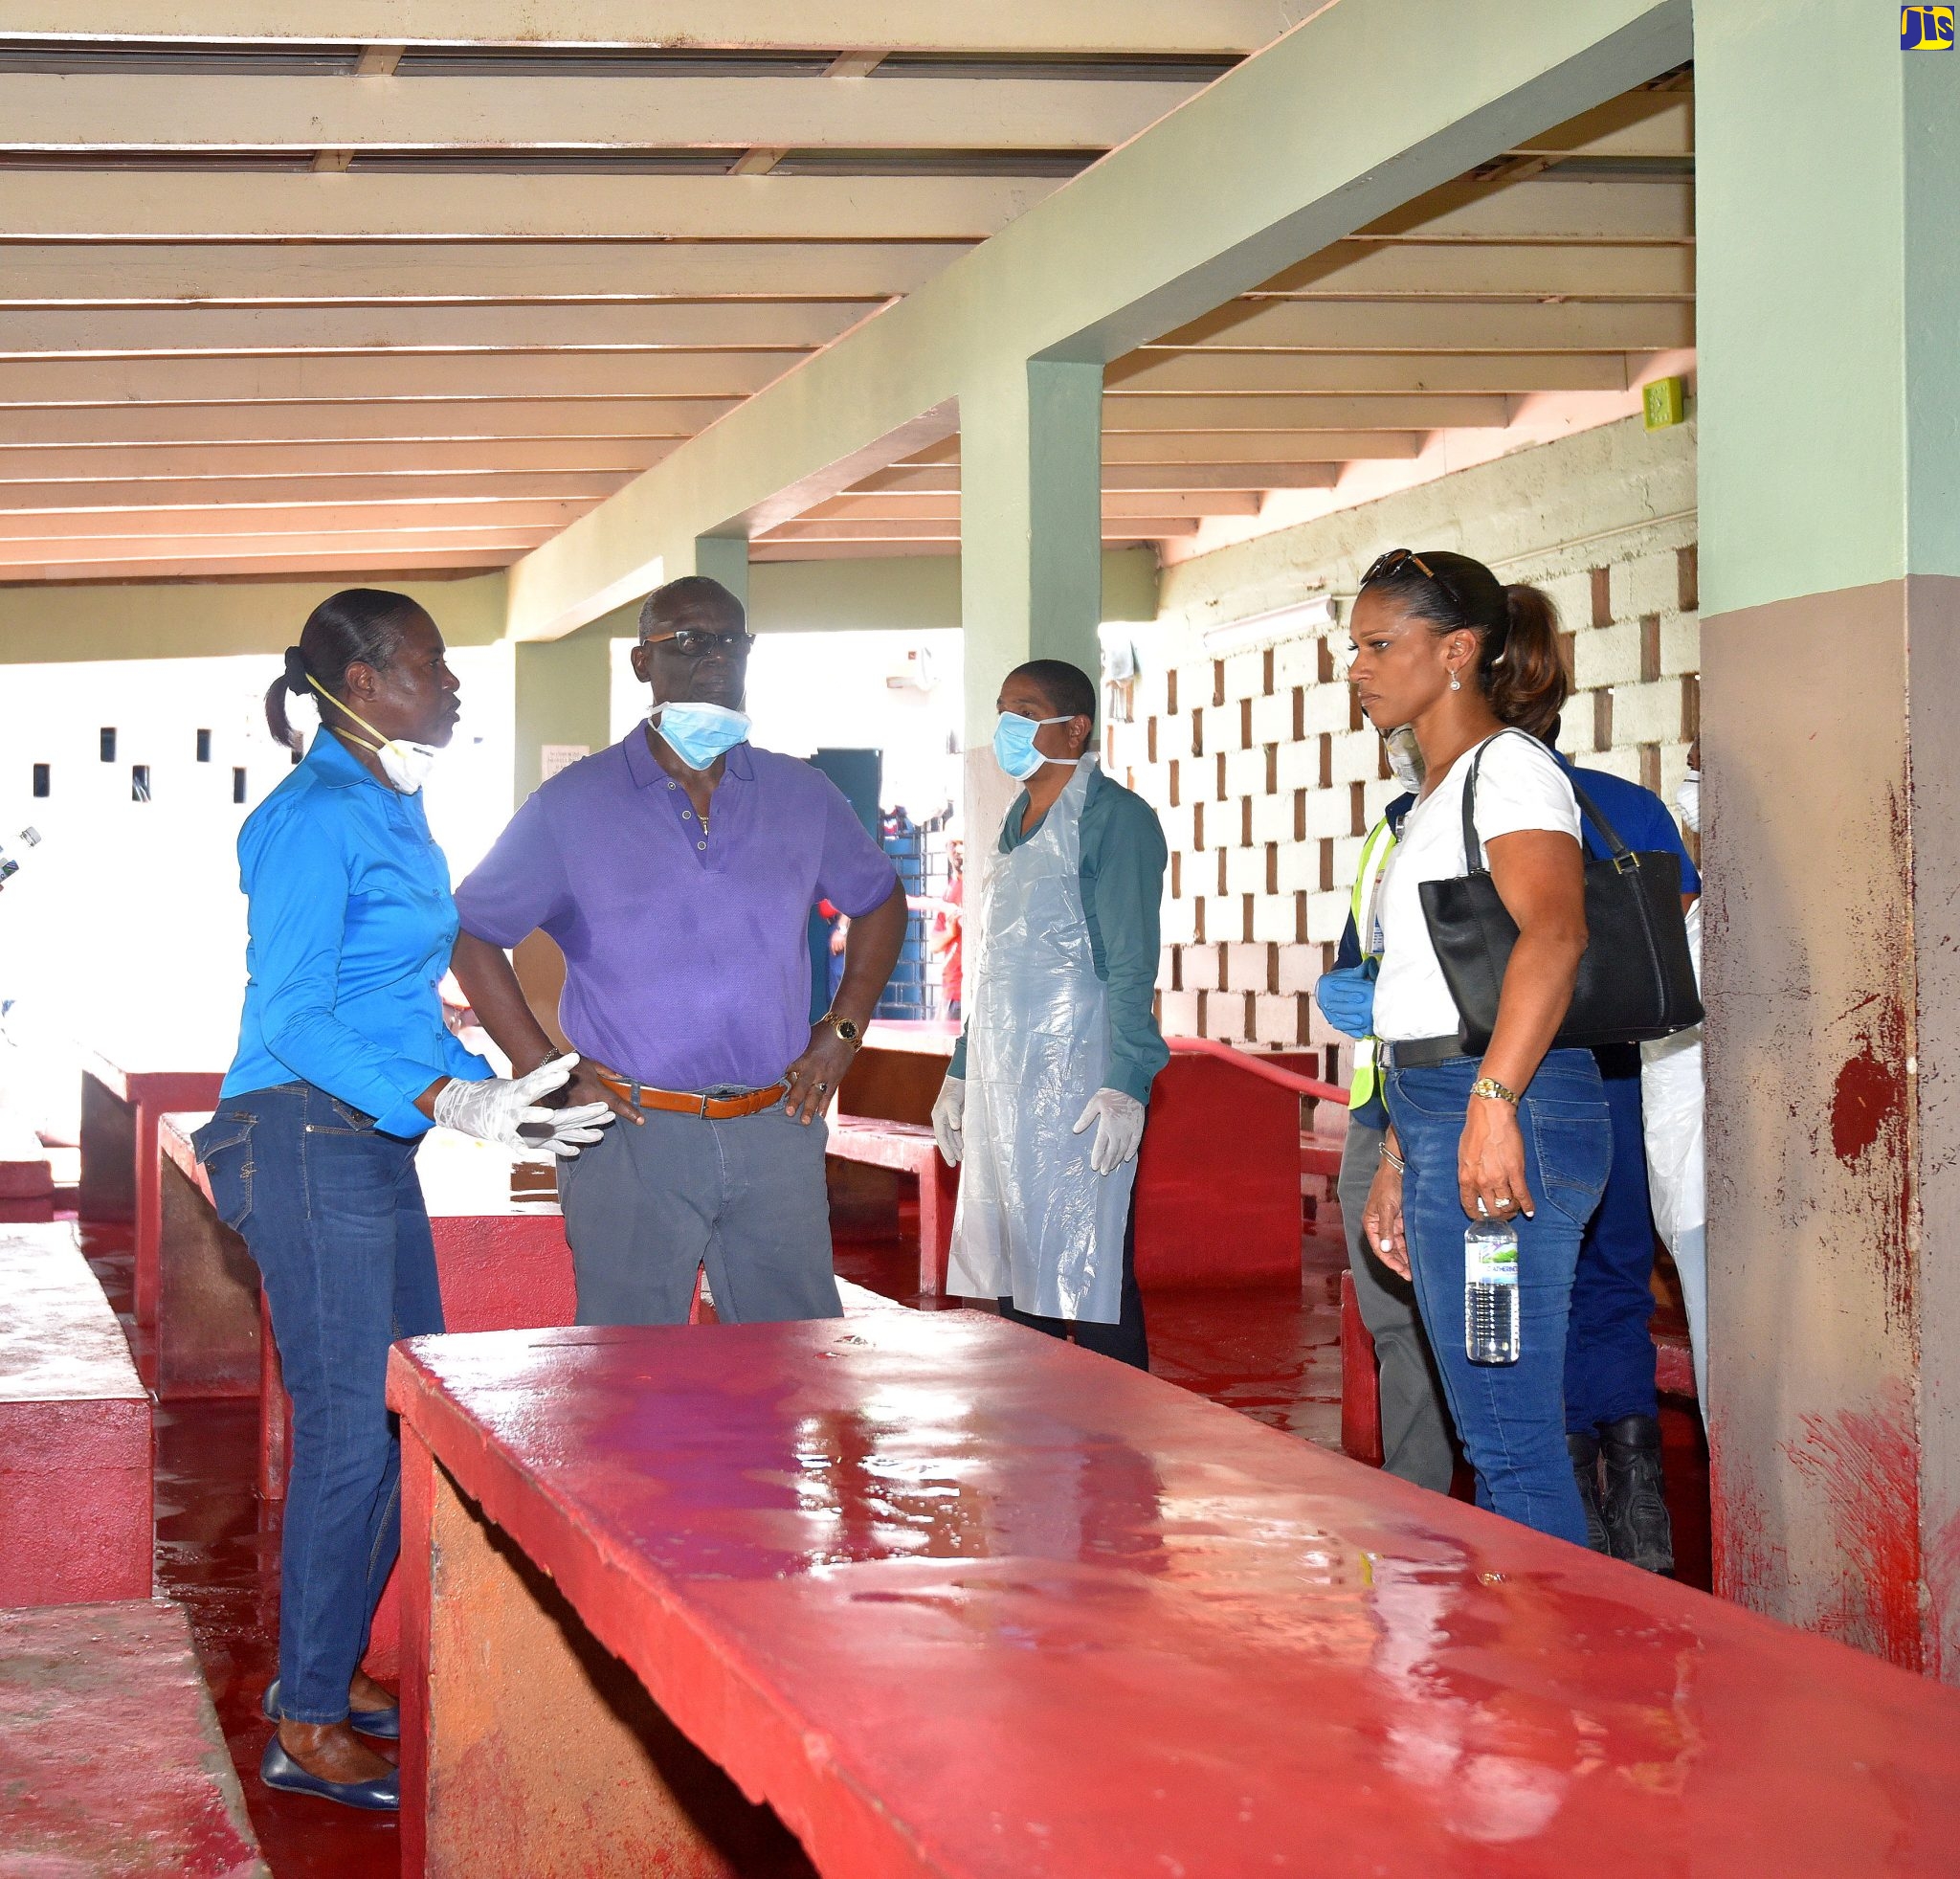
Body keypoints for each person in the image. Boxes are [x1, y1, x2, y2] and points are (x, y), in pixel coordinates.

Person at [194, 590, 611, 1811]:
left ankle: (323, 1677)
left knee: (386, 1413)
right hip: (303, 1133)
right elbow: (295, 1017)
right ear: (363, 682)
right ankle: (307, 1719)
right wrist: (444, 1095)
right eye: (431, 664)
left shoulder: (391, 803)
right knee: (342, 1424)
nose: (453, 683)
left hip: (360, 1142)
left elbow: (389, 999)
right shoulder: (314, 814)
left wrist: (496, 1088)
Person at [450, 574, 908, 1327]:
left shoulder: (801, 793)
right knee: (629, 1377)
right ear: (641, 663)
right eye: (687, 640)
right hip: (631, 1134)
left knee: (794, 1366)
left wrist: (843, 1031)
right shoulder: (574, 806)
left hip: (776, 1124)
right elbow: (472, 933)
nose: (714, 656)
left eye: (731, 640)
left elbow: (879, 898)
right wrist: (545, 1071)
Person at [1352, 548, 1610, 1544]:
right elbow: (1429, 994)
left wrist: (1492, 1107)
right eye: (1354, 648)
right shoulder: (1436, 788)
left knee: (1507, 1438)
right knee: (1490, 1427)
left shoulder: (1505, 770)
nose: (1359, 668)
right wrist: (1398, 1149)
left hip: (1509, 1112)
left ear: (1455, 650)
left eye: (1380, 644)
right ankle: (1532, 1664)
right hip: (1447, 1109)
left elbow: (1553, 933)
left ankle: (1550, 1678)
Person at [933, 660, 1169, 1369]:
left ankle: (1117, 1446)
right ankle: (1030, 1445)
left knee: (1092, 1275)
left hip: (1082, 1080)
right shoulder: (1015, 820)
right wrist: (964, 1071)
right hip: (1010, 1082)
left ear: (1076, 726)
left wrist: (1128, 1080)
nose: (1009, 727)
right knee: (1018, 1273)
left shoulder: (1115, 820)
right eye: (1003, 709)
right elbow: (997, 969)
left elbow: (1132, 963)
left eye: (1026, 711)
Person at [1545, 732, 1701, 1571]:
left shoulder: (1472, 804)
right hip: (1623, 1083)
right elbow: (1674, 928)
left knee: (1537, 1295)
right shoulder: (1631, 807)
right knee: (1613, 1284)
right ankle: (1642, 1519)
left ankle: (1571, 1514)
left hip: (1524, 1084)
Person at [1315, 752, 1457, 1494]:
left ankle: (1514, 1502)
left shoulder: (1490, 806)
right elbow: (1357, 953)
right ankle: (1418, 1491)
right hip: (1379, 1109)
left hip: (1458, 1105)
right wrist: (1341, 983)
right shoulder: (1388, 829)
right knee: (1393, 1316)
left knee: (1479, 1314)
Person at [931, 836, 965, 1020]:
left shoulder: (978, 884)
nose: (958, 849)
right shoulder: (950, 889)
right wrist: (951, 932)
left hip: (967, 992)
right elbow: (934, 944)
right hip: (950, 992)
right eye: (953, 844)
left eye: (963, 843)